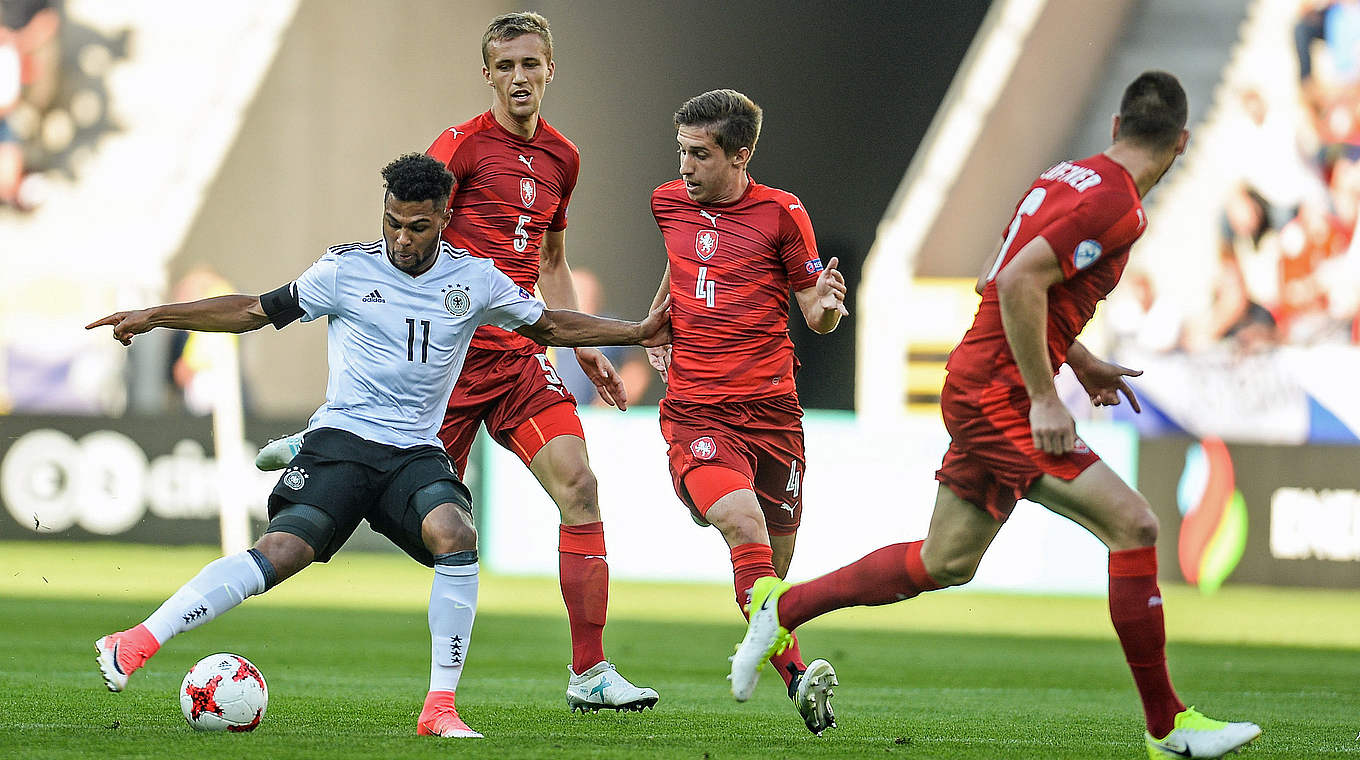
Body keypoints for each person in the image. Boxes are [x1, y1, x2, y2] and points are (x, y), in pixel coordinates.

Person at [729, 72, 1262, 759]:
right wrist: (1045, 394)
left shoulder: (1067, 177)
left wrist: (1079, 357)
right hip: (999, 395)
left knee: (945, 560)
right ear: (1181, 142)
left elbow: (995, 272)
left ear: (1115, 127)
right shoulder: (1120, 206)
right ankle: (1168, 728)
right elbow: (1014, 282)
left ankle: (783, 609)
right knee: (1135, 525)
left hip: (980, 381)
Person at [88, 153, 670, 738]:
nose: (401, 238)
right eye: (391, 222)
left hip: (414, 453)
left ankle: (439, 708)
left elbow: (548, 326)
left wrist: (636, 333)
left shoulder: (474, 278)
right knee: (283, 553)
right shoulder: (345, 270)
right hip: (343, 442)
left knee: (456, 535)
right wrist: (158, 314)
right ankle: (135, 641)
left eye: (417, 227)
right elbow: (252, 310)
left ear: (444, 216)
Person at [253, 12, 659, 712]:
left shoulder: (565, 158)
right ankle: (330, 433)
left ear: (550, 69)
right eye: (505, 67)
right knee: (408, 531)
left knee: (581, 488)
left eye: (530, 64)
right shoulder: (462, 149)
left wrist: (585, 348)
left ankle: (590, 673)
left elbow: (550, 263)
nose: (519, 78)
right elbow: (405, 239)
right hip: (444, 371)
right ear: (488, 76)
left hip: (518, 363)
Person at [644, 88, 848, 735]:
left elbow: (814, 309)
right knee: (743, 524)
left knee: (773, 579)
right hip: (696, 412)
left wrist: (830, 306)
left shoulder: (782, 214)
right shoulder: (667, 202)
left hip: (774, 415)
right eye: (680, 150)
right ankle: (793, 670)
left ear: (740, 154)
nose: (684, 167)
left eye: (699, 154)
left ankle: (793, 675)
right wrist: (658, 322)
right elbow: (680, 263)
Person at [552, 269, 652, 406]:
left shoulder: (608, 326)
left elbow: (637, 369)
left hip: (593, 418)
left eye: (581, 293)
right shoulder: (550, 327)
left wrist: (607, 405)